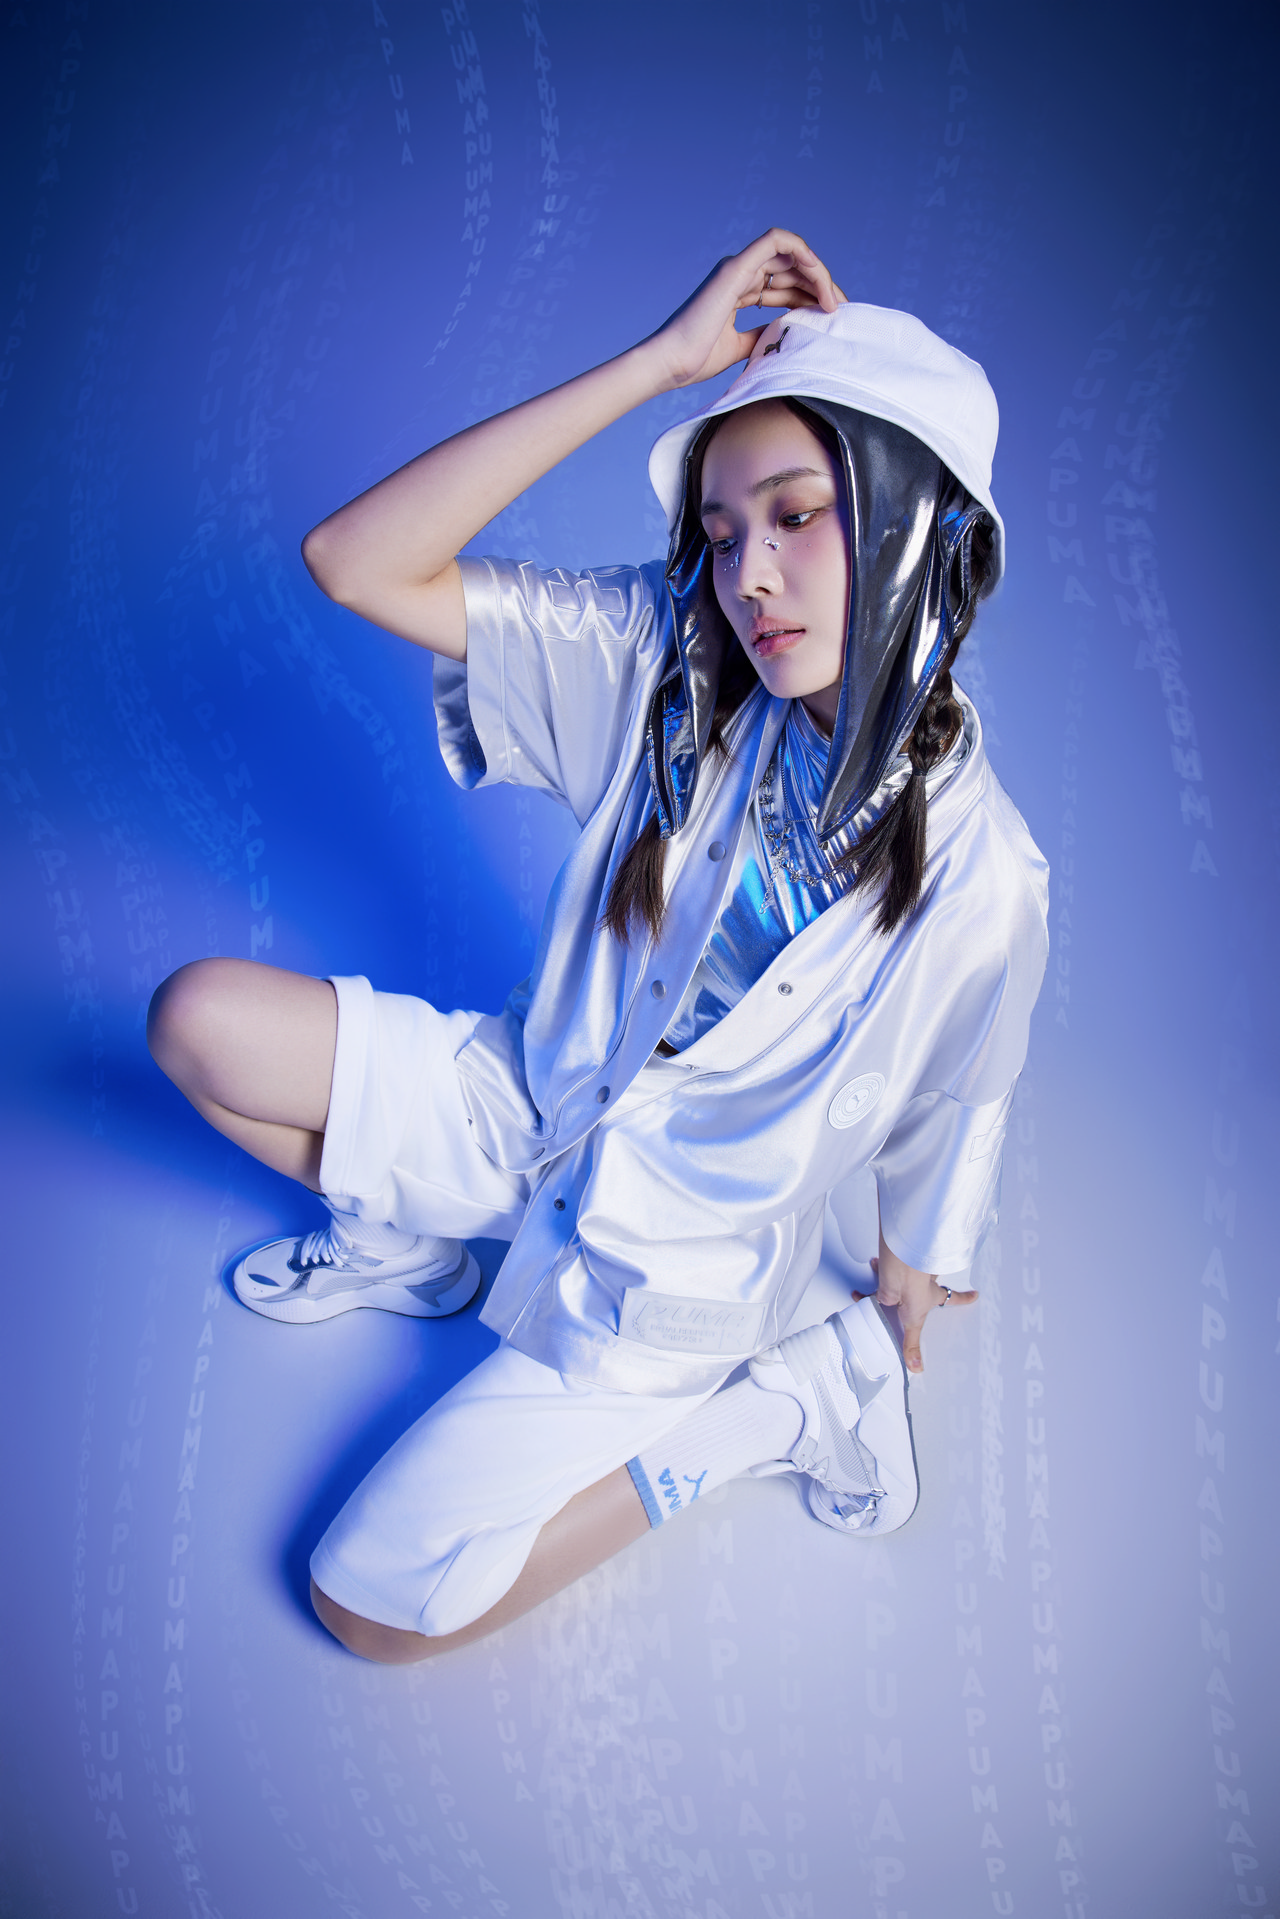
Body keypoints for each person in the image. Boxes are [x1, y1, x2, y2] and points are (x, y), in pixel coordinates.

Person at [147, 230, 1047, 1664]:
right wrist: (661, 366)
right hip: (533, 1115)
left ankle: (779, 1411)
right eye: (724, 532)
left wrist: (914, 1268)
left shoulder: (986, 876)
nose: (752, 577)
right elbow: (352, 561)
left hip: (668, 1276)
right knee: (195, 1020)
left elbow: (964, 1087)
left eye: (797, 515)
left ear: (915, 524)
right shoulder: (671, 669)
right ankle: (427, 1249)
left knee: (370, 1606)